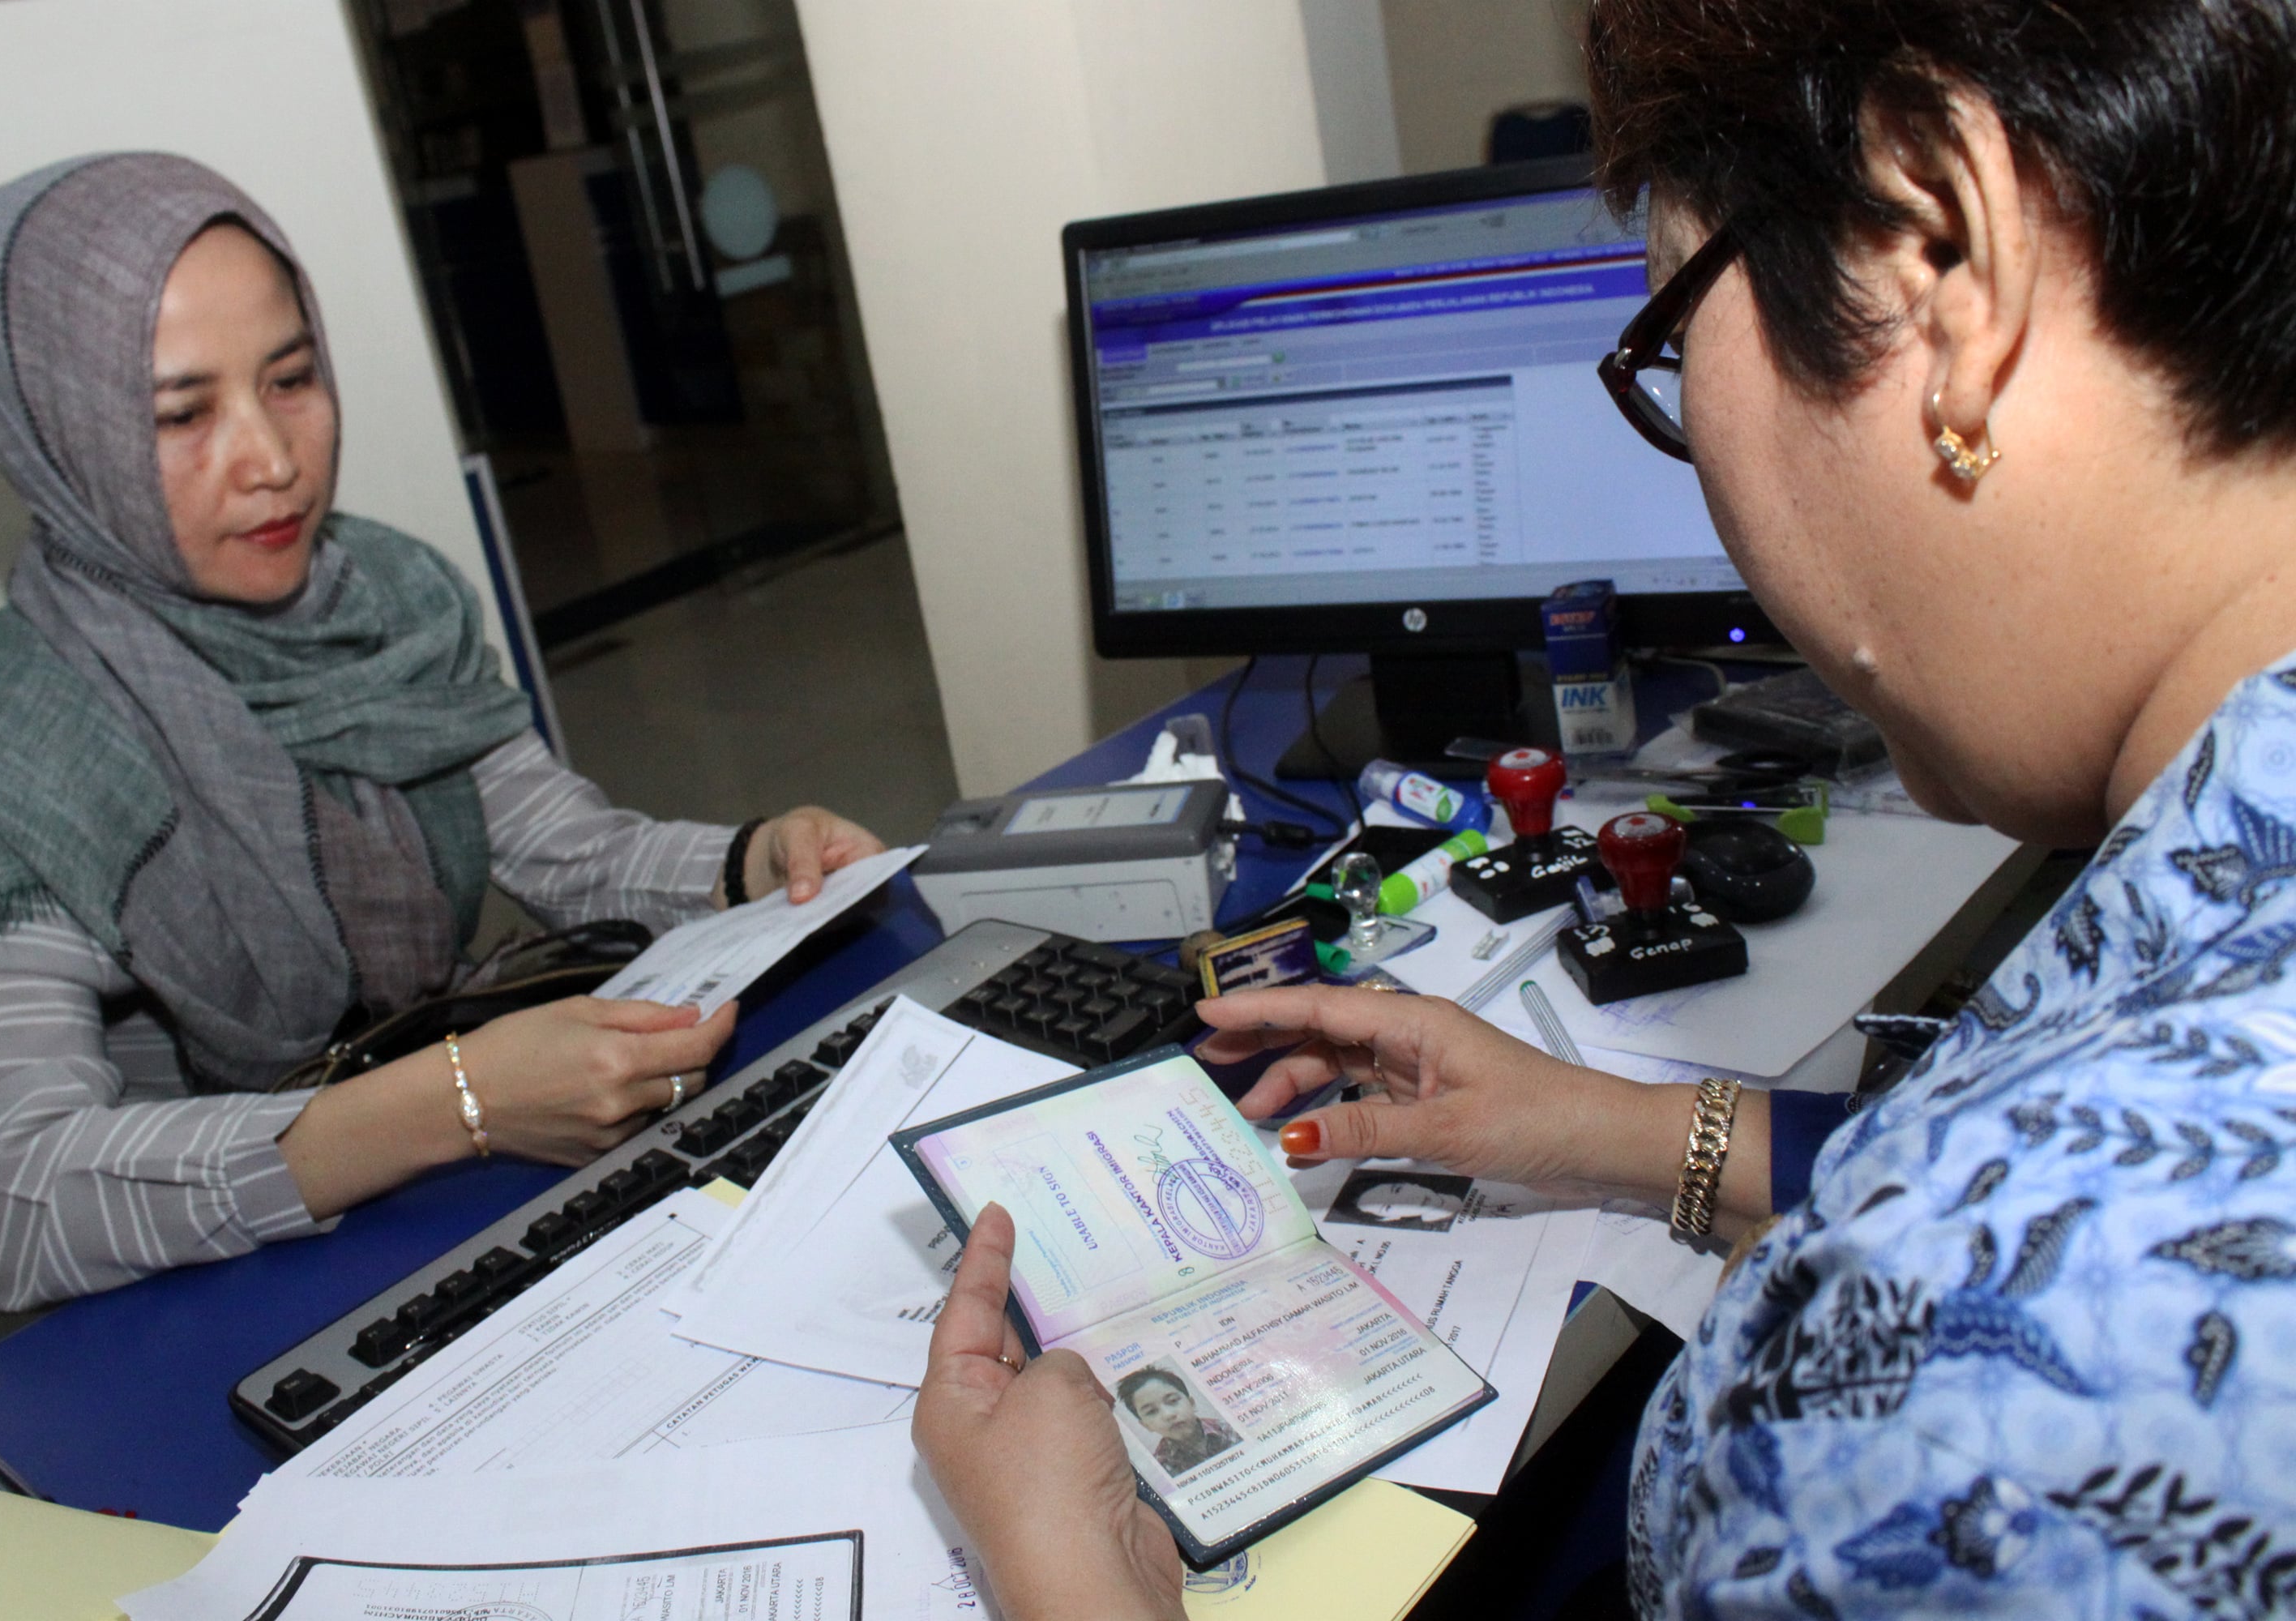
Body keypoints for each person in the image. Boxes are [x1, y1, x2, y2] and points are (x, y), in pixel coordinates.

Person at [912, 1, 2296, 1615]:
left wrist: (1079, 1588)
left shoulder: (1976, 1405)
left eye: (1665, 349)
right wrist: (1612, 1129)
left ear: (1939, 236)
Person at [0, 153, 882, 1312]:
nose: (272, 462)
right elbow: (3, 1192)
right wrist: (449, 1103)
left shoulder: (384, 600)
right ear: (56, 441)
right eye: (183, 414)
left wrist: (752, 860)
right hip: (217, 1294)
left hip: (448, 1214)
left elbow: (561, 843)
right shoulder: (16, 764)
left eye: (291, 378)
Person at [1112, 1367, 1240, 1478]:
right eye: (1151, 1412)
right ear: (1146, 1426)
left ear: (1191, 1403)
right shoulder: (1161, 1466)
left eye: (1173, 1401)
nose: (1168, 1415)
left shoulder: (1230, 1428)